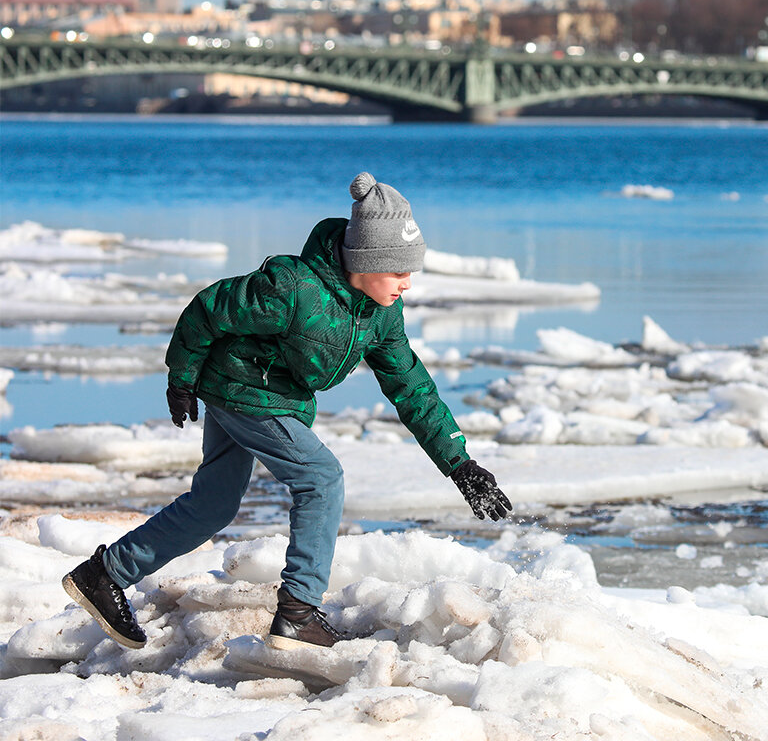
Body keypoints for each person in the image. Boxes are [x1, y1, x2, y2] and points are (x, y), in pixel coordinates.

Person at [62, 172, 512, 651]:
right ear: (366, 260)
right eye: (399, 270)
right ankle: (299, 611)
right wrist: (181, 377)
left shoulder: (380, 314)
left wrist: (459, 464)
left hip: (275, 397)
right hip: (243, 389)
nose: (407, 283)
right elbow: (209, 308)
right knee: (321, 478)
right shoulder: (292, 288)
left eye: (411, 271)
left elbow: (411, 387)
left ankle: (103, 574)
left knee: (214, 504)